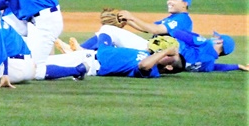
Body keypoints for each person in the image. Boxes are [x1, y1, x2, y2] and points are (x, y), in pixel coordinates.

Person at [86, 0, 196, 52]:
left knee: (108, 29)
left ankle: (79, 51)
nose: (169, 1)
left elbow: (155, 30)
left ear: (184, 4)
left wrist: (132, 17)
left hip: (155, 51)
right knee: (110, 39)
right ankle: (81, 53)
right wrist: (128, 21)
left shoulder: (182, 19)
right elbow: (147, 29)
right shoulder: (174, 18)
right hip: (152, 49)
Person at [42, 44, 180, 80]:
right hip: (90, 54)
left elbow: (143, 65)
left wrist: (164, 52)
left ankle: (77, 71)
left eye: (170, 56)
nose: (167, 53)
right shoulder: (147, 54)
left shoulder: (152, 70)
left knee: (39, 65)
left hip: (92, 64)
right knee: (42, 60)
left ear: (168, 67)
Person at [163, 29, 247, 74]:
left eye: (216, 37)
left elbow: (176, 32)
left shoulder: (205, 44)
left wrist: (194, 34)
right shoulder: (209, 64)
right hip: (171, 64)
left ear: (220, 42)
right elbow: (217, 67)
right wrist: (238, 66)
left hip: (165, 51)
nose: (212, 37)